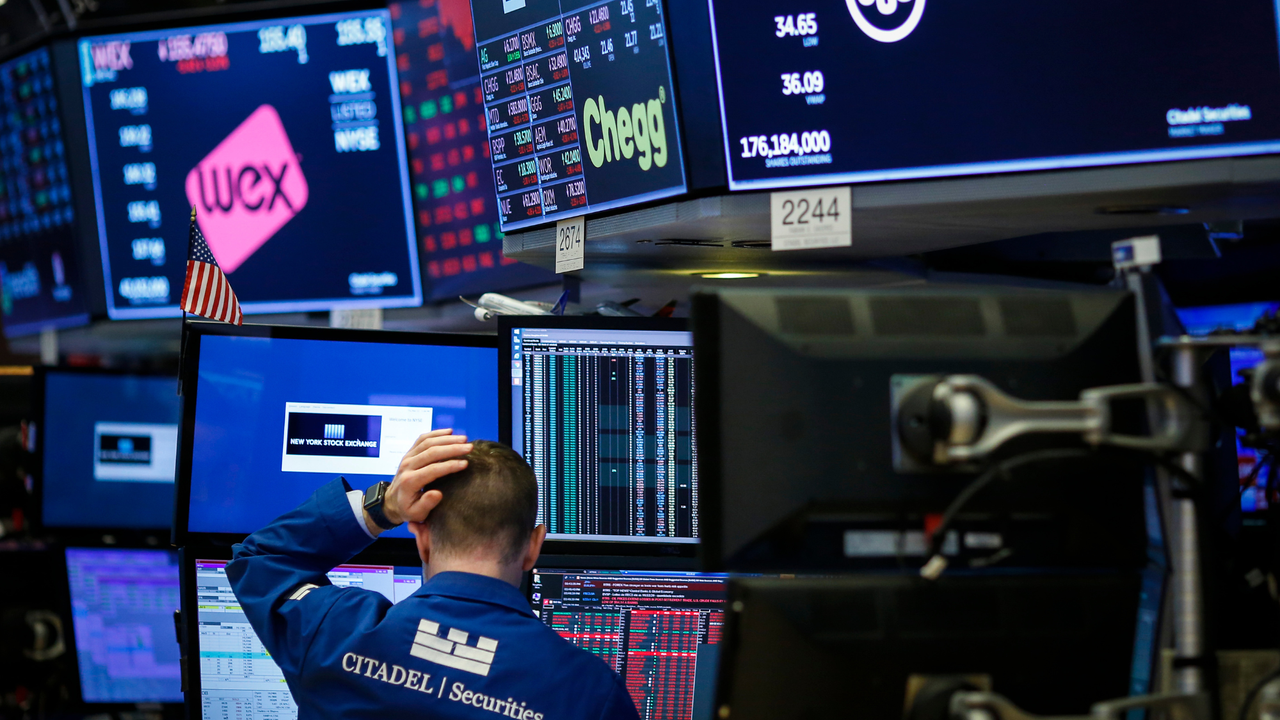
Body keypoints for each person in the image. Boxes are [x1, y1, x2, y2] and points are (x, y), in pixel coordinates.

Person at [226, 430, 640, 720]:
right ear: (534, 546)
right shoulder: (591, 693)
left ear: (421, 538)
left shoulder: (333, 630)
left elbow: (259, 558)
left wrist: (383, 506)